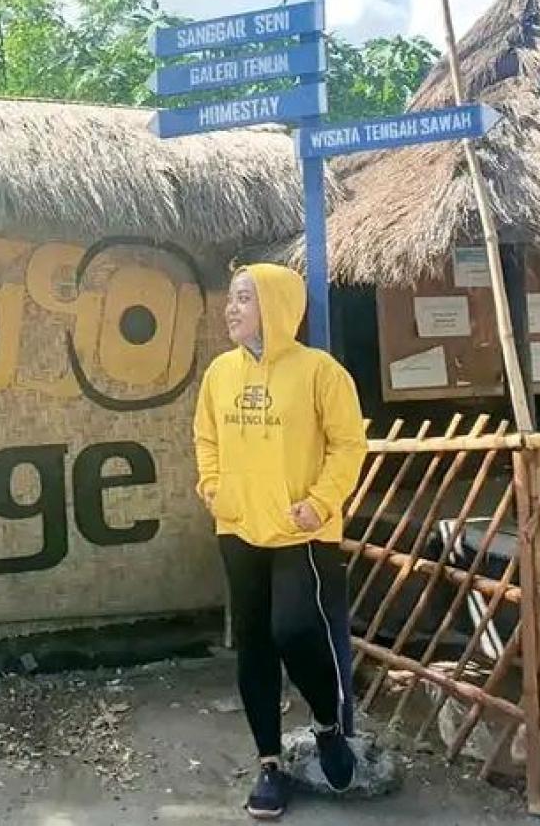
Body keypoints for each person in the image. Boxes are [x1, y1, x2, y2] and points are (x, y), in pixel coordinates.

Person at [193, 263, 368, 820]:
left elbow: (349, 445)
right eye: (231, 298)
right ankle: (269, 763)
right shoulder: (220, 373)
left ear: (276, 305)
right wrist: (212, 487)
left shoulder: (320, 372)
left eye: (245, 298)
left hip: (301, 529)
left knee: (293, 629)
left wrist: (320, 501)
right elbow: (205, 437)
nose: (232, 308)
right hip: (239, 525)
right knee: (254, 644)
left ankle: (326, 726)